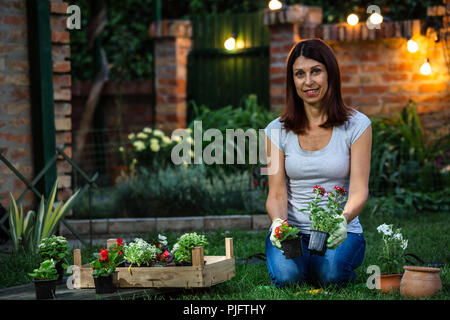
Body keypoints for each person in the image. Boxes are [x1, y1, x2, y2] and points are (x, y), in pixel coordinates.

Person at [264, 38, 372, 288]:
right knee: (287, 278)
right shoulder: (274, 131)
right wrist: (279, 224)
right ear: (292, 80)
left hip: (338, 231)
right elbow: (276, 193)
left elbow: (359, 190)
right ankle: (304, 262)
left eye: (316, 71)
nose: (308, 82)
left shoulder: (357, 126)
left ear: (330, 74)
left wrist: (343, 219)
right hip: (293, 233)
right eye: (299, 74)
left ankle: (324, 263)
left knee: (332, 276)